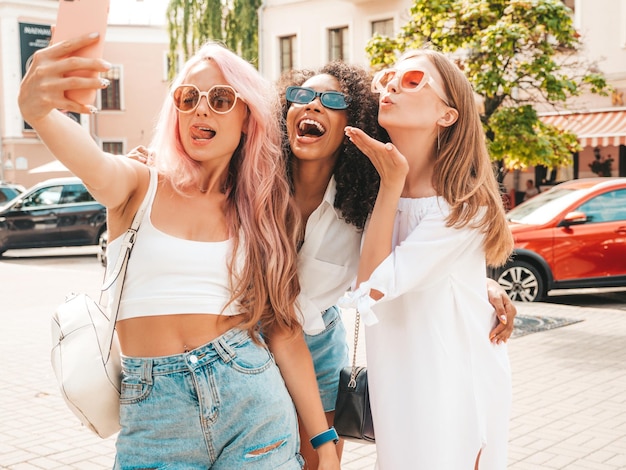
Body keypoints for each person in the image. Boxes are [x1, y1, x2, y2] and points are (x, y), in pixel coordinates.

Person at [129, 60, 517, 469]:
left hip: (318, 346)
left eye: (331, 101)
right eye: (301, 97)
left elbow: (407, 251)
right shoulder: (251, 183)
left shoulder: (368, 199)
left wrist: (476, 285)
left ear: (354, 123)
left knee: (320, 461)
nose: (313, 106)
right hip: (237, 347)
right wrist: (159, 170)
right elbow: (201, 165)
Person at [18, 36, 340, 469]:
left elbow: (284, 331)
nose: (201, 109)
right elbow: (92, 163)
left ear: (247, 117)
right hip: (155, 413)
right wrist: (38, 112)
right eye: (188, 98)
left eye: (221, 98)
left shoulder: (261, 213)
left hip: (252, 406)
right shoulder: (138, 185)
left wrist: (323, 440)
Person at [278, 62, 517, 469]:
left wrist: (480, 286)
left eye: (412, 81)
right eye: (387, 79)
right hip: (396, 379)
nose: (392, 86)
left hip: (448, 382)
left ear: (447, 114)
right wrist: (483, 286)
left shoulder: (462, 204)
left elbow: (370, 287)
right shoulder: (369, 188)